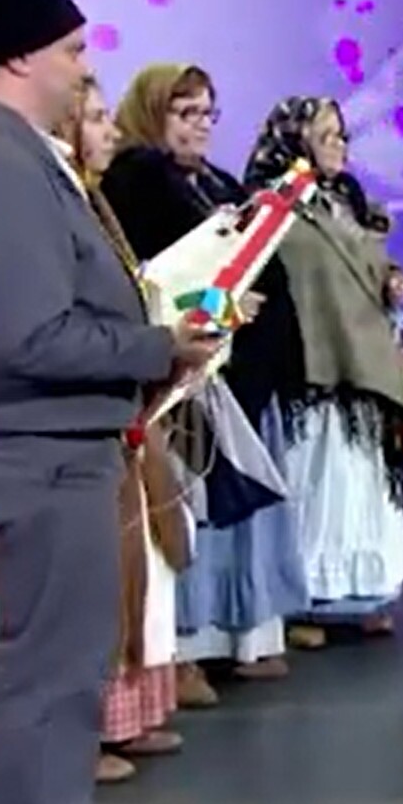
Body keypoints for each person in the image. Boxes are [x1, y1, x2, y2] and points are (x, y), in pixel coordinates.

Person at [0, 0, 221, 804]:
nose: (83, 68)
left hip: (53, 442)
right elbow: (32, 334)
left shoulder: (8, 150)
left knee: (62, 657)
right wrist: (159, 346)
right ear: (20, 55)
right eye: (71, 50)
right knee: (48, 664)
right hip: (38, 447)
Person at [101, 63, 311, 703]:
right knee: (189, 508)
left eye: (207, 113)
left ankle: (243, 632)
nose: (200, 126)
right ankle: (186, 650)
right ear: (152, 113)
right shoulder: (137, 181)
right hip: (184, 373)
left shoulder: (218, 183)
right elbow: (155, 277)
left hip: (239, 371)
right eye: (184, 112)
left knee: (232, 506)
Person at [243, 96, 403, 631]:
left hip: (363, 363)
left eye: (342, 135)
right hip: (312, 368)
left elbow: (368, 259)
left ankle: (364, 598)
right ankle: (306, 603)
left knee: (360, 488)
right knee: (316, 489)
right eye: (326, 136)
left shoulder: (347, 198)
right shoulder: (272, 205)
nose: (339, 145)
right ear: (296, 141)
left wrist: (391, 277)